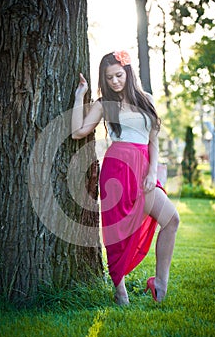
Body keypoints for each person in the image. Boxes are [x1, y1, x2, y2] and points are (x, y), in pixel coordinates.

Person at [71, 51, 180, 306]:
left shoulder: (147, 99)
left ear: (128, 73)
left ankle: (160, 283)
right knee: (117, 232)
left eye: (119, 75)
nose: (115, 82)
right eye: (109, 78)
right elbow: (78, 131)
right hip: (117, 170)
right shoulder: (103, 104)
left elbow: (153, 141)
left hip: (144, 169)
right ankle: (120, 290)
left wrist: (153, 172)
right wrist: (80, 96)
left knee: (171, 220)